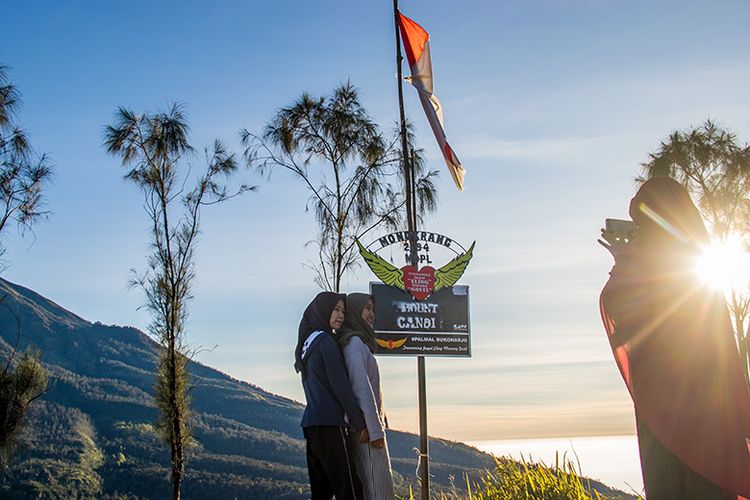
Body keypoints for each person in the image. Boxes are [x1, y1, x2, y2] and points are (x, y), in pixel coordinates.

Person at [599, 177, 750, 499]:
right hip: (708, 408)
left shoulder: (669, 264)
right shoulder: (697, 262)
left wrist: (624, 265)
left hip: (671, 411)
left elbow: (633, 317)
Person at [295, 292, 368, 500]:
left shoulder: (307, 344)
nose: (341, 315)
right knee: (350, 489)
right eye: (336, 309)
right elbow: (340, 386)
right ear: (323, 310)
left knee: (322, 491)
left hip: (312, 425)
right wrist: (359, 422)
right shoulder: (326, 341)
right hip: (331, 424)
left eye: (343, 311)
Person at [336, 293, 395, 500]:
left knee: (374, 485)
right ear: (355, 311)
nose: (371, 314)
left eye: (373, 309)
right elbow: (361, 387)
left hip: (367, 428)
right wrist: (375, 429)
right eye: (367, 308)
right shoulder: (354, 344)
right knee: (377, 487)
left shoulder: (358, 342)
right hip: (367, 433)